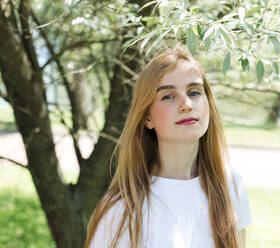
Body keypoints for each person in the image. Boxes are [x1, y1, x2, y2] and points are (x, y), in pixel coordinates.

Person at [84, 44, 252, 248]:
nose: (186, 104)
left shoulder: (230, 185)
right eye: (168, 96)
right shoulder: (121, 209)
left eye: (194, 92)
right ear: (147, 117)